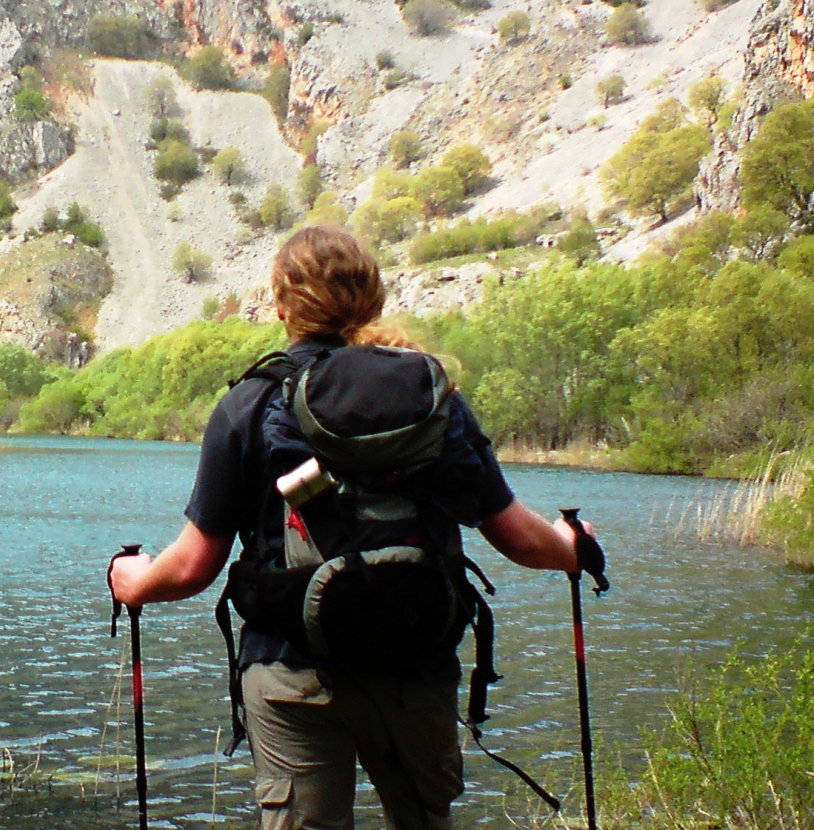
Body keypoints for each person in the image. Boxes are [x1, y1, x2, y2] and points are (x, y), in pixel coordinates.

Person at [108, 226, 590, 830]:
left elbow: (190, 568)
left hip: (291, 671)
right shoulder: (430, 398)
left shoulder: (251, 405)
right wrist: (574, 549)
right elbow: (520, 538)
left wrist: (131, 582)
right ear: (375, 297)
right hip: (415, 663)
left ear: (283, 306)